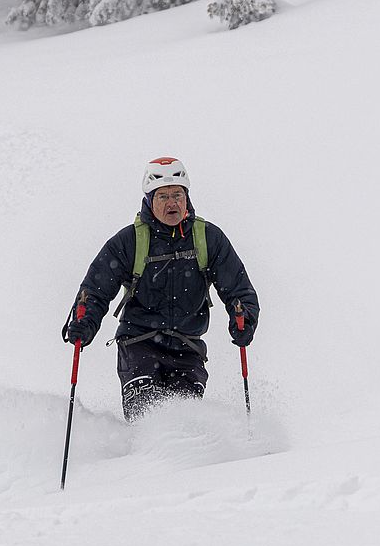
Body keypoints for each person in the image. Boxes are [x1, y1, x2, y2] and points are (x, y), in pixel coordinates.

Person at [62, 157, 260, 422]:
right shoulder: (129, 241)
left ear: (187, 197)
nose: (172, 203)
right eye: (163, 196)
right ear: (149, 200)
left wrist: (245, 318)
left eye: (177, 195)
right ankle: (140, 449)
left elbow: (238, 289)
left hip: (188, 349)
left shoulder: (208, 238)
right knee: (147, 416)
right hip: (138, 345)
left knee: (186, 424)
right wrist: (84, 323)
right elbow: (95, 290)